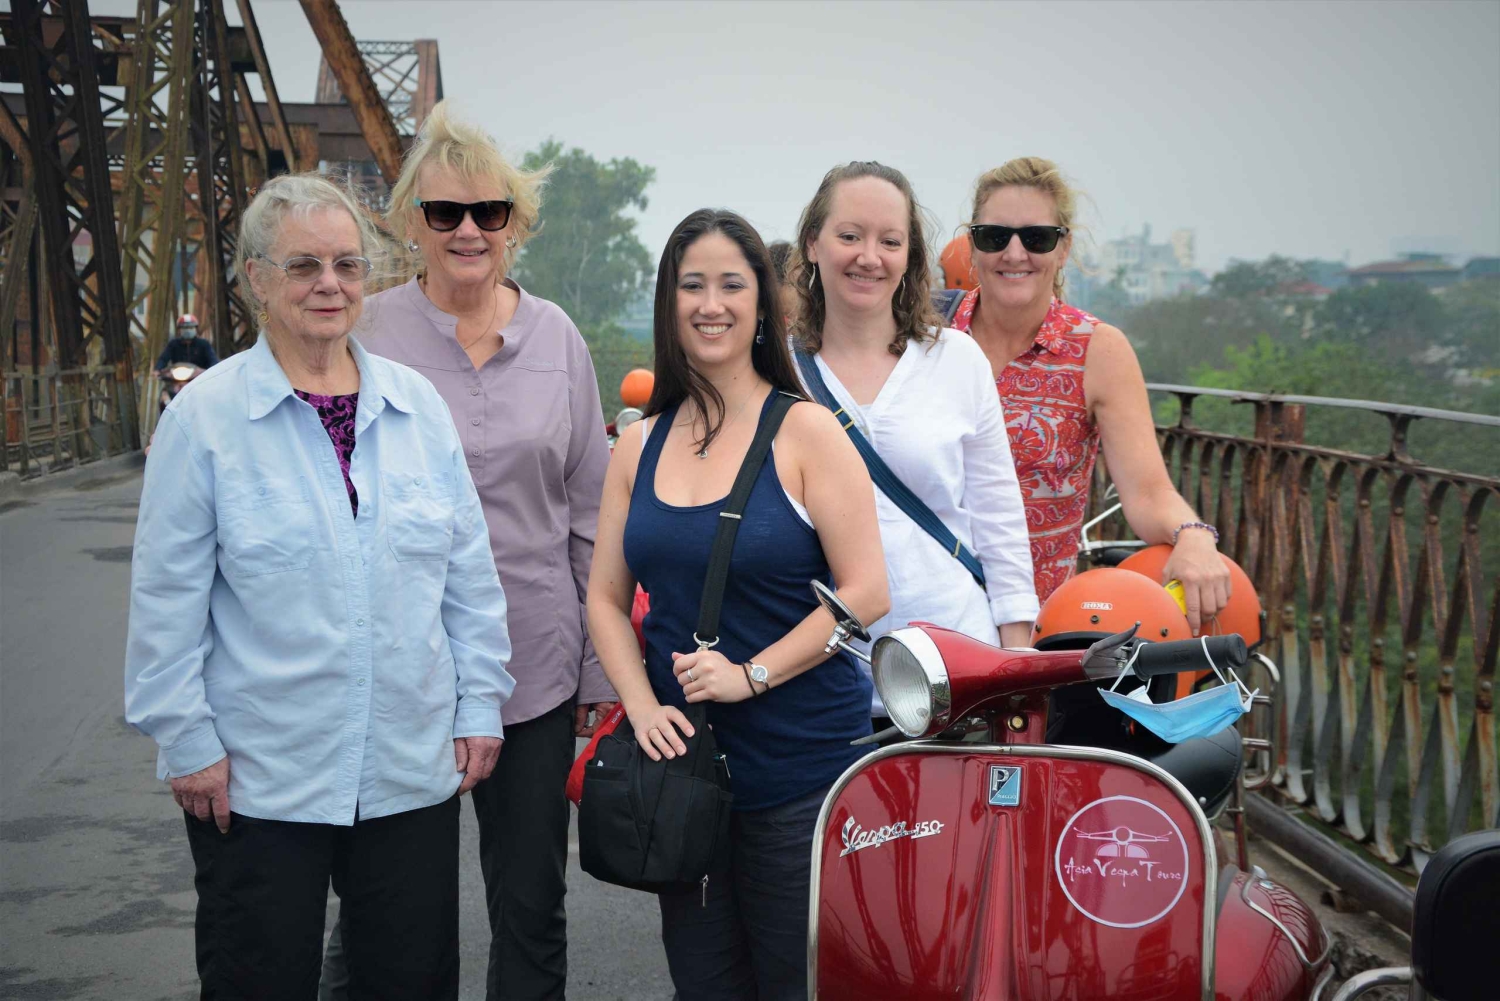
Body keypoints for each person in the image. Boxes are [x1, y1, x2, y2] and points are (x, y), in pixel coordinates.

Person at [123, 171, 516, 1001]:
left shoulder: (417, 409)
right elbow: (165, 603)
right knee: (257, 979)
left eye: (346, 264)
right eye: (303, 266)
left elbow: (467, 578)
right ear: (257, 279)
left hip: (409, 767)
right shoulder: (206, 420)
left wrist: (480, 701)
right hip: (260, 776)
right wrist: (187, 743)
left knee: (407, 982)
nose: (329, 285)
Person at [321, 101, 615, 1001]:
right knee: (389, 906)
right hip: (397, 665)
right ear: (410, 223)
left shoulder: (557, 337)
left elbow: (591, 512)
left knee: (530, 900)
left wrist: (602, 671)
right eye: (444, 213)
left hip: (531, 661)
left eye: (488, 212)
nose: (467, 230)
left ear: (514, 224)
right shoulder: (365, 332)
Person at [586, 208, 889, 1000]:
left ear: (762, 307)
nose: (710, 303)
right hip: (686, 779)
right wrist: (642, 706)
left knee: (798, 981)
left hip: (799, 772)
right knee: (705, 982)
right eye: (692, 285)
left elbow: (867, 593)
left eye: (731, 284)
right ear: (669, 302)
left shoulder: (808, 432)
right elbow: (606, 599)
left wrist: (752, 673)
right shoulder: (638, 443)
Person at [787, 162, 1038, 731]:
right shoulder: (777, 372)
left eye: (889, 241)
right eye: (849, 236)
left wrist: (1016, 658)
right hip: (819, 680)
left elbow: (998, 514)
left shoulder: (956, 360)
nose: (869, 256)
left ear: (910, 255)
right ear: (813, 244)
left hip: (956, 671)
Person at [943, 157, 1231, 632]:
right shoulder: (927, 340)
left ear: (1063, 248)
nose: (1015, 254)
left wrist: (1195, 537)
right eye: (995, 236)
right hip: (923, 622)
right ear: (972, 245)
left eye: (1036, 238)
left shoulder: (1097, 350)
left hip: (1036, 629)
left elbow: (1147, 492)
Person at [153, 312, 220, 373]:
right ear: (179, 330)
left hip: (199, 378)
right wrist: (157, 369)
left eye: (191, 328)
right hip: (178, 377)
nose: (188, 330)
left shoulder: (204, 344)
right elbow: (163, 359)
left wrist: (213, 370)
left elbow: (212, 359)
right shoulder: (173, 344)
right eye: (185, 328)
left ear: (196, 329)